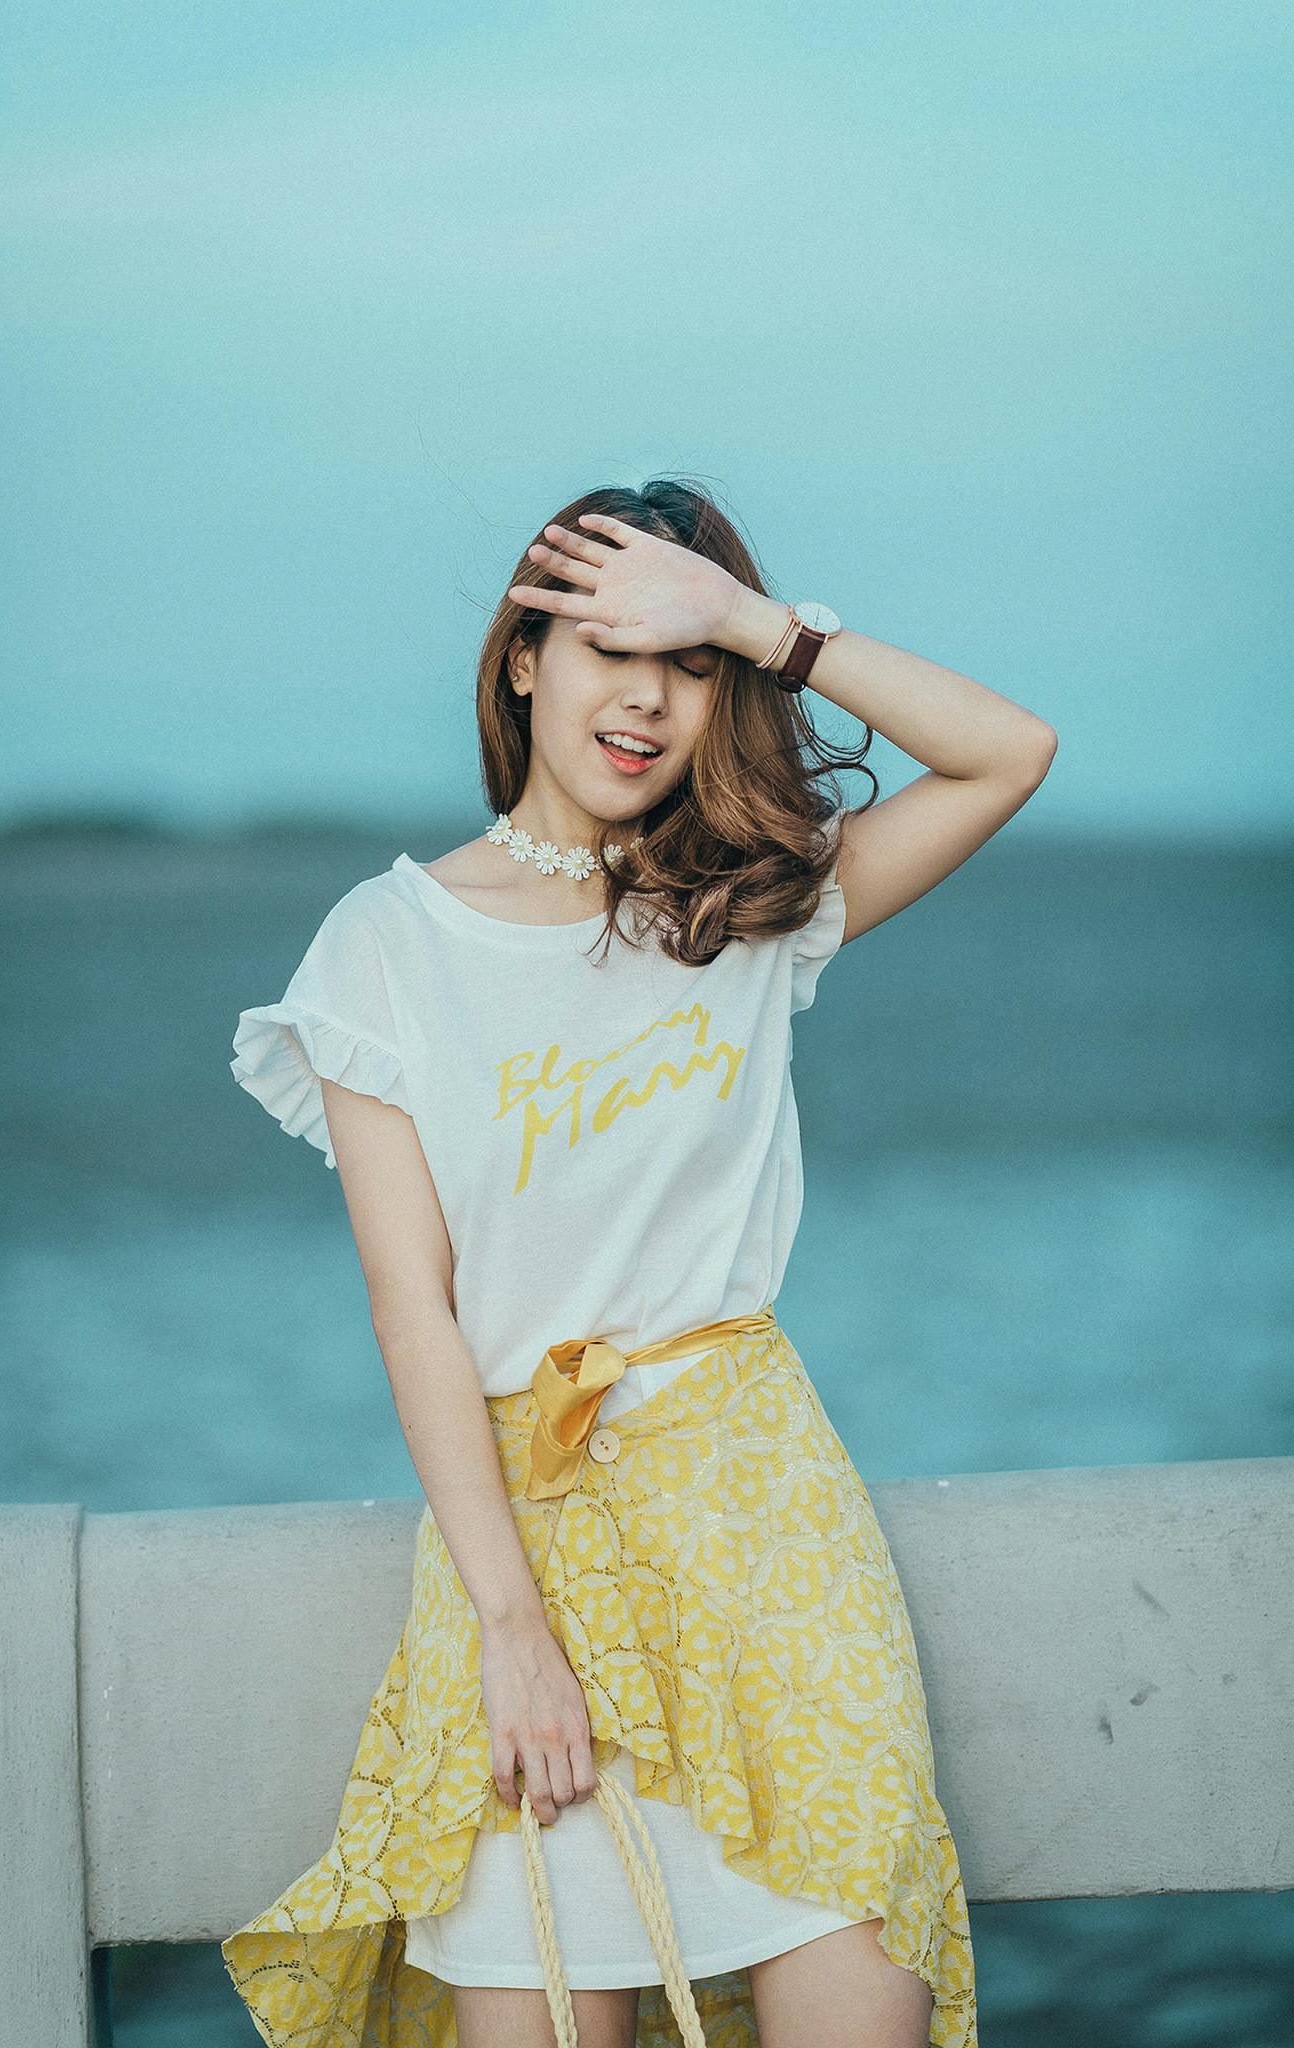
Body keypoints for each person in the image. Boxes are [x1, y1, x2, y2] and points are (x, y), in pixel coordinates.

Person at [221, 476, 1055, 2048]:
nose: (648, 699)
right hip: (522, 1550)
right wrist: (507, 1630)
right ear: (524, 659)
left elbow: (1008, 750)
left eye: (687, 667)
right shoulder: (383, 948)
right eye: (609, 645)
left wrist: (757, 622)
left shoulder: (745, 910)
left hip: (762, 1533)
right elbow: (415, 1308)